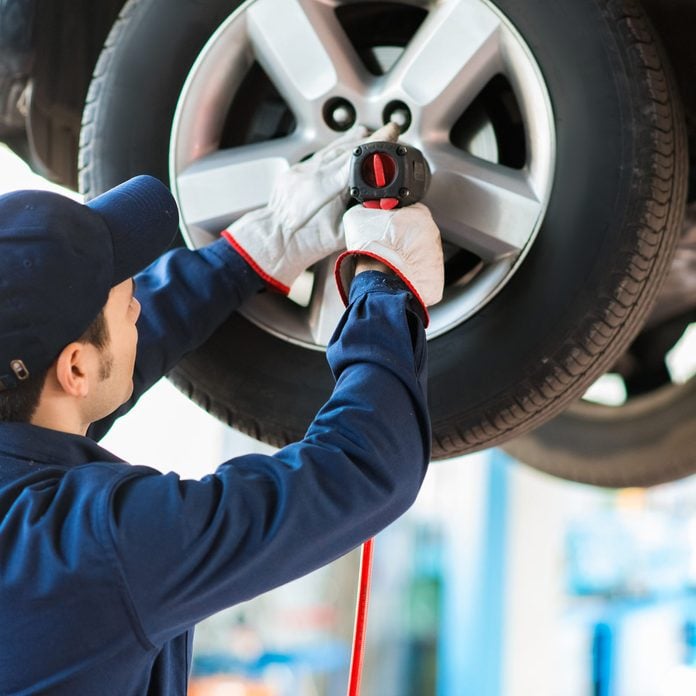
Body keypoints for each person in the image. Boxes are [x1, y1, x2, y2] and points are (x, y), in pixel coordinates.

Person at [0, 124, 444, 695]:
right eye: (125, 299)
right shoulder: (89, 552)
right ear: (75, 369)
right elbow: (365, 469)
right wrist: (386, 289)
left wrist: (259, 247)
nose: (139, 300)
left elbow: (108, 357)